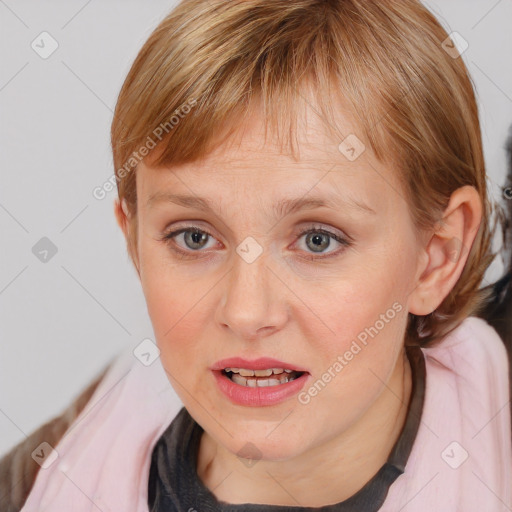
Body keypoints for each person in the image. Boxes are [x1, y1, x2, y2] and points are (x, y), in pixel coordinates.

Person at [1, 0, 511, 510]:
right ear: (134, 242)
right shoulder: (55, 470)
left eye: (318, 240)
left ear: (435, 256)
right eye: (194, 237)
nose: (247, 313)